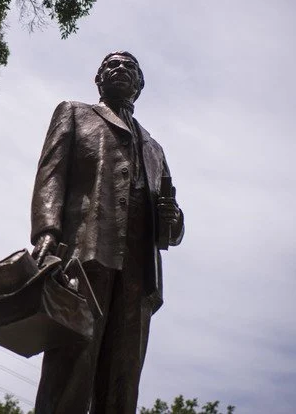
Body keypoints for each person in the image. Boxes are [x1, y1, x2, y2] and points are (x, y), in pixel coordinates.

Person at [30, 51, 184, 414]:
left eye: (129, 67)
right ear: (98, 79)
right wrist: (47, 231)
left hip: (139, 272)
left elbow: (170, 227)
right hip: (86, 254)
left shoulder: (154, 148)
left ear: (139, 86)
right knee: (73, 360)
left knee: (123, 375)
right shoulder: (75, 113)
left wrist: (173, 220)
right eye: (110, 66)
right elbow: (50, 175)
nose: (118, 70)